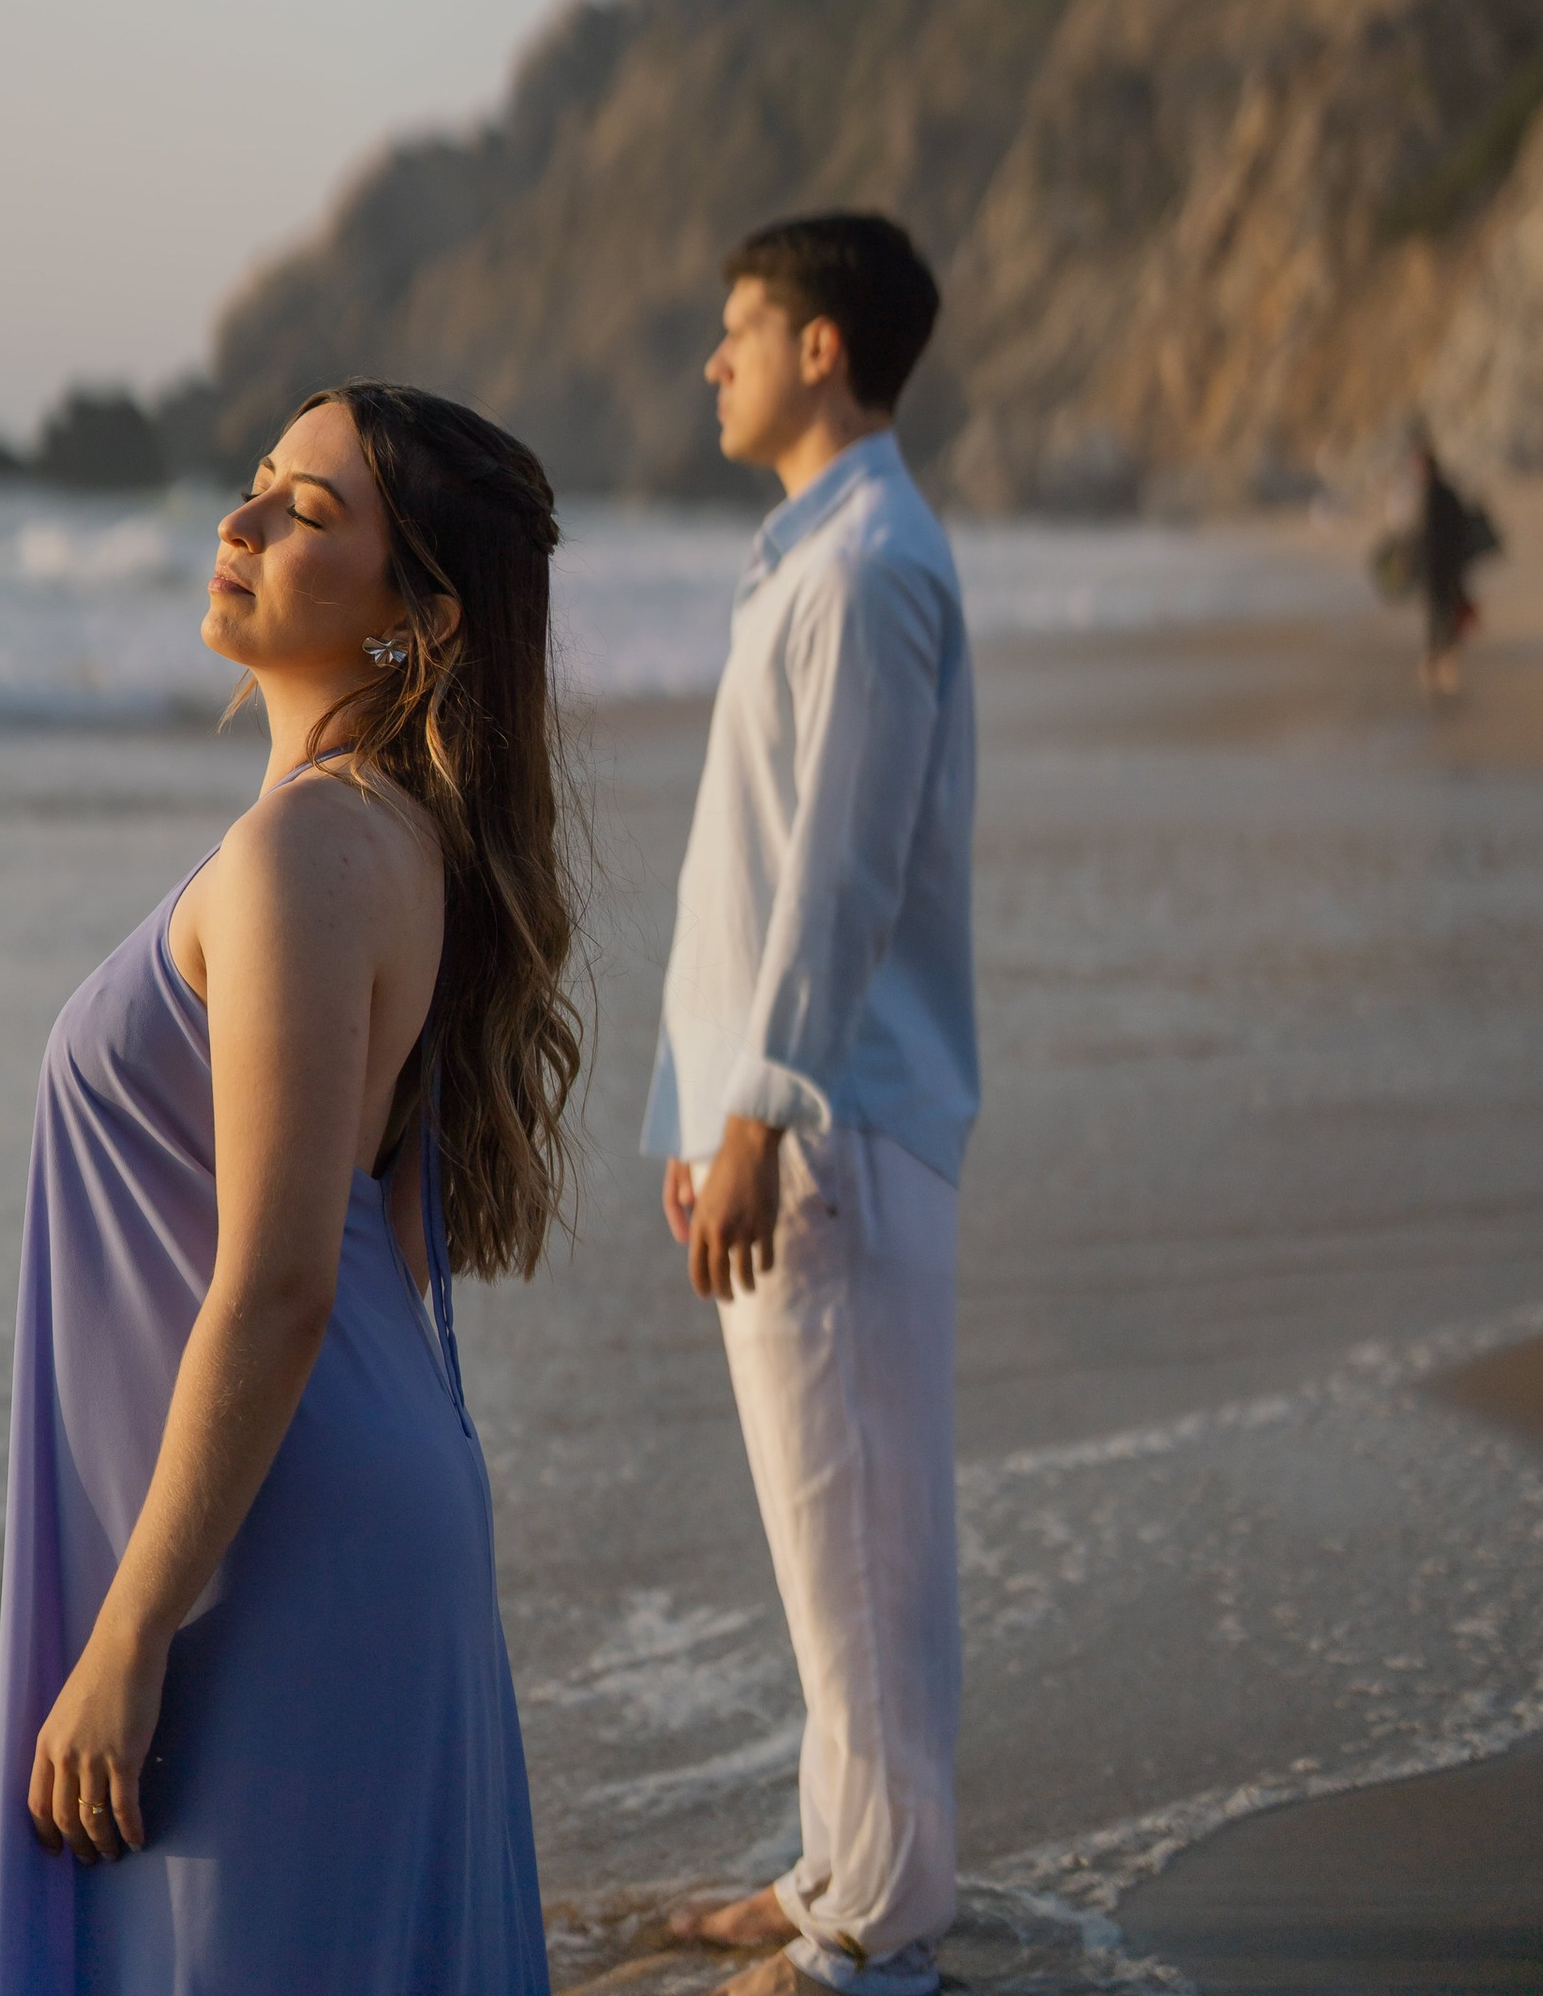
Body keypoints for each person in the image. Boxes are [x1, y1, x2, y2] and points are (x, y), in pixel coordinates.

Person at [0, 380, 579, 1996]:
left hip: (271, 1538)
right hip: (328, 1497)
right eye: (254, 488)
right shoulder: (383, 840)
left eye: (308, 513)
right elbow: (376, 1244)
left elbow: (283, 1280)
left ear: (419, 621)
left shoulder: (307, 854)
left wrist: (130, 1630)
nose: (238, 524)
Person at [649, 214, 976, 1996]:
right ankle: (840, 1870)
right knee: (829, 1537)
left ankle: (876, 1936)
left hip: (832, 1129)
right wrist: (705, 1118)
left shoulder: (864, 570)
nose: (717, 359)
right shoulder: (823, 559)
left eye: (739, 326)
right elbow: (752, 877)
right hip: (790, 1120)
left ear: (823, 346)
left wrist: (761, 1112)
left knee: (863, 1547)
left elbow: (839, 881)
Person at [1408, 421, 1498, 705]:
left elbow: (1431, 538)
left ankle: (1440, 669)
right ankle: (1442, 666)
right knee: (1445, 614)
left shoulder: (1434, 494)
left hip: (1438, 569)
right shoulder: (1446, 492)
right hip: (1450, 567)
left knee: (1440, 616)